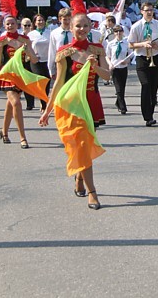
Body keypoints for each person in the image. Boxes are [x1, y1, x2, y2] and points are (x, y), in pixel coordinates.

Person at [39, 12, 111, 210]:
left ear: (90, 28)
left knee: (85, 147)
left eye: (85, 26)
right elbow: (58, 83)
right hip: (72, 106)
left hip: (92, 102)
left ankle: (80, 177)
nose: (81, 29)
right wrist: (47, 109)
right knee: (80, 145)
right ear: (70, 28)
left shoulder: (97, 50)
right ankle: (92, 192)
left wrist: (95, 67)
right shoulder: (64, 52)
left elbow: (107, 76)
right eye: (77, 26)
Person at [0, 15, 39, 148]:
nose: (10, 26)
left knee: (10, 104)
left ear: (17, 24)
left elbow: (34, 60)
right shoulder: (1, 40)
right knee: (16, 103)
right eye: (7, 24)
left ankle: (4, 132)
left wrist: (27, 50)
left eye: (12, 23)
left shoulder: (25, 39)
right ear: (4, 25)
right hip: (7, 75)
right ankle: (22, 137)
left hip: (20, 75)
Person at [27, 14, 52, 112]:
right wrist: (32, 55)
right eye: (38, 20)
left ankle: (44, 101)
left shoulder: (50, 33)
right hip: (36, 61)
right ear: (34, 22)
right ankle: (44, 103)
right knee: (40, 82)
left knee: (47, 82)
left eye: (42, 20)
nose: (40, 22)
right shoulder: (31, 34)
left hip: (48, 60)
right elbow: (27, 47)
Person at [105, 25, 130, 114]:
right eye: (116, 32)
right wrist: (110, 64)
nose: (118, 33)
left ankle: (118, 102)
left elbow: (130, 55)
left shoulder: (126, 43)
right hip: (115, 68)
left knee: (122, 88)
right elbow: (107, 56)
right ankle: (123, 107)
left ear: (123, 32)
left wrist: (126, 61)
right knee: (118, 88)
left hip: (123, 68)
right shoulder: (110, 44)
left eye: (120, 31)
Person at [48, 7, 72, 80]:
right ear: (60, 19)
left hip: (72, 61)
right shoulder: (54, 33)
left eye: (69, 19)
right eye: (65, 19)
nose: (67, 22)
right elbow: (52, 51)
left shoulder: (74, 32)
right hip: (60, 62)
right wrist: (51, 69)